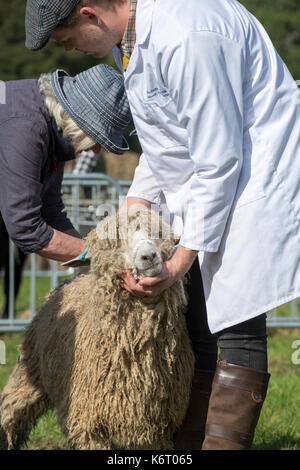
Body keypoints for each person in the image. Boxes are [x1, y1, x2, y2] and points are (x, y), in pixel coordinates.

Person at [24, 0, 300, 450]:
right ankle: (186, 446)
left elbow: (219, 160)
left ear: (90, 14)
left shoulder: (187, 33)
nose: (73, 50)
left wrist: (177, 264)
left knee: (235, 324)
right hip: (208, 183)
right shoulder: (130, 43)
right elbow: (163, 141)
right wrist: (134, 202)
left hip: (251, 180)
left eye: (69, 40)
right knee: (196, 317)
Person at [0, 63, 131, 267]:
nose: (97, 150)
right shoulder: (26, 127)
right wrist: (105, 258)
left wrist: (92, 251)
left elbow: (50, 211)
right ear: (80, 121)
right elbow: (25, 227)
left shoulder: (53, 128)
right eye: (98, 138)